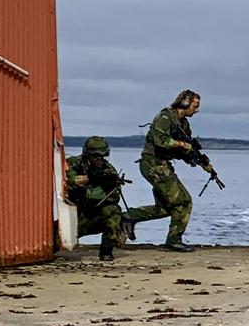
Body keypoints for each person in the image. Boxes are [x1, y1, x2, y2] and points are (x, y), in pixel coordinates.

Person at [126, 90, 216, 252]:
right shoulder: (165, 118)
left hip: (162, 165)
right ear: (185, 103)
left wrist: (202, 163)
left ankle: (129, 216)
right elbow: (160, 141)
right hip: (153, 164)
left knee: (168, 208)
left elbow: (186, 151)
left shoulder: (183, 124)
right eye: (195, 106)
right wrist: (182, 145)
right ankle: (174, 240)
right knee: (184, 201)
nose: (197, 110)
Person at [65, 136, 131, 261]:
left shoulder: (108, 170)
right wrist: (91, 178)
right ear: (87, 154)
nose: (99, 159)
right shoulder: (74, 163)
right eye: (95, 155)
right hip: (74, 216)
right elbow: (70, 181)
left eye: (103, 155)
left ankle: (106, 251)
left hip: (95, 215)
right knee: (54, 240)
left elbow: (115, 197)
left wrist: (108, 183)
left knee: (113, 211)